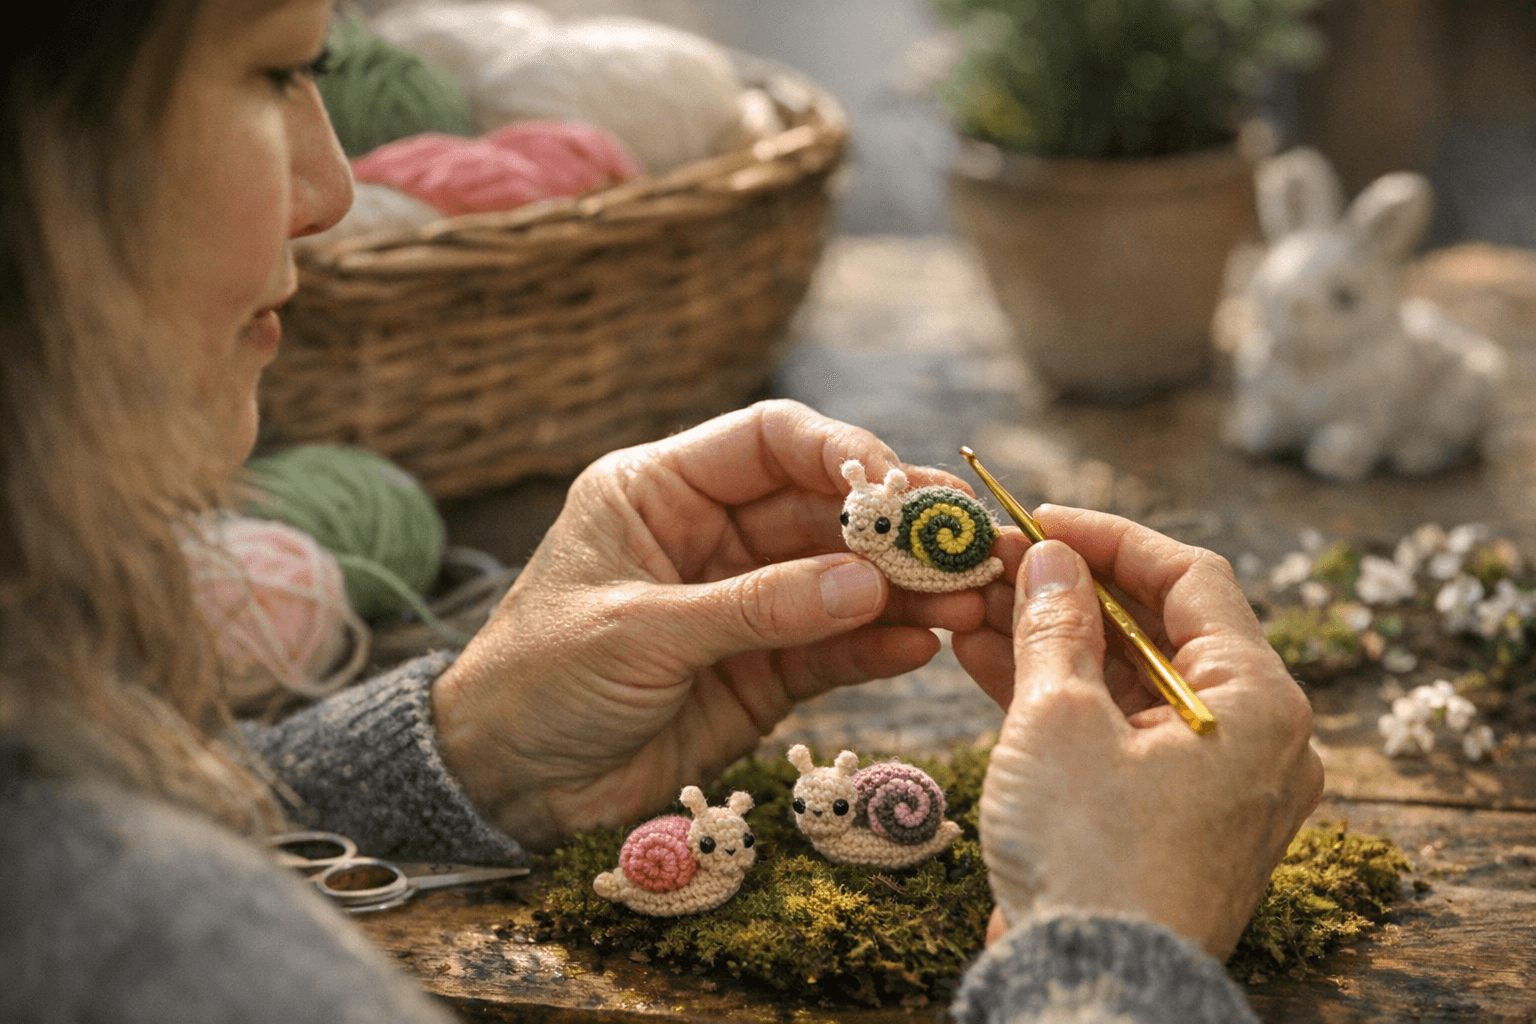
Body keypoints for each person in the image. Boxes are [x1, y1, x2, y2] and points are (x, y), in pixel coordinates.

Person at [0, 0, 1323, 1021]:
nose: (335, 188)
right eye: (275, 69)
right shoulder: (146, 946)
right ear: (40, 159)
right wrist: (1108, 948)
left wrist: (464, 755)